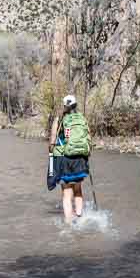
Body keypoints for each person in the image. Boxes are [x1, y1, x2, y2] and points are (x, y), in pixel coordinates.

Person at [49, 95, 92, 224]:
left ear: (65, 106)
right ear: (76, 105)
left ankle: (69, 223)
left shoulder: (60, 119)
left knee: (67, 193)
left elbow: (52, 140)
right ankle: (79, 216)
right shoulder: (82, 118)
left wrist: (51, 153)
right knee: (78, 189)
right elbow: (88, 137)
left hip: (65, 159)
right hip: (80, 159)